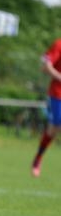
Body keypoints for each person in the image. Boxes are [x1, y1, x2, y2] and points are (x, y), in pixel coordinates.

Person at [31, 38, 61, 177]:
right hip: (58, 94)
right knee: (54, 129)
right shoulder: (59, 44)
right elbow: (45, 66)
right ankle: (38, 158)